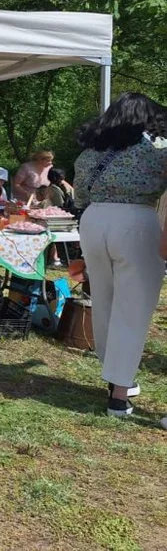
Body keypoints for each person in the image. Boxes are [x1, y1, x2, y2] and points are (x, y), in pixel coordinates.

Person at [73, 92, 167, 417]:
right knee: (133, 310)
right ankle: (119, 394)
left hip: (94, 219)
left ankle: (114, 378)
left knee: (105, 301)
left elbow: (80, 193)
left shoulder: (92, 150)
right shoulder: (156, 149)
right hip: (137, 220)